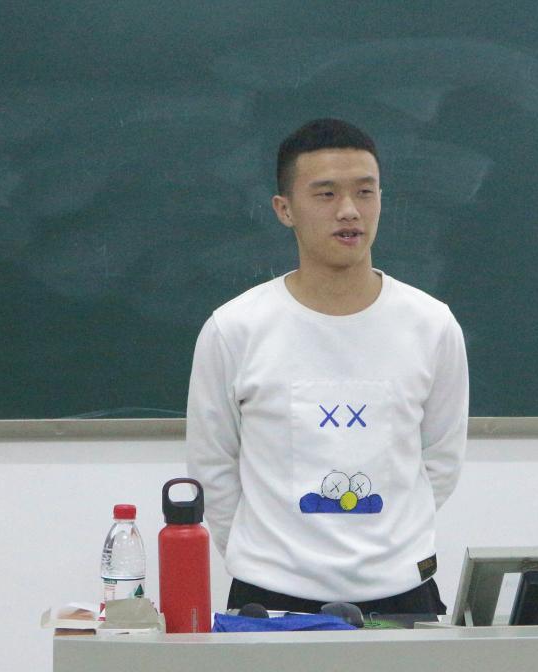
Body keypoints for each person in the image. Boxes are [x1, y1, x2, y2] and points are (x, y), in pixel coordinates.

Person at [187, 118, 468, 616]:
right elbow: (213, 466)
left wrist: (387, 549)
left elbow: (441, 460)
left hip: (401, 591)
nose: (349, 210)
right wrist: (267, 561)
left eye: (365, 192)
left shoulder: (431, 325)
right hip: (270, 598)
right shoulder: (235, 328)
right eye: (326, 194)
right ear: (284, 209)